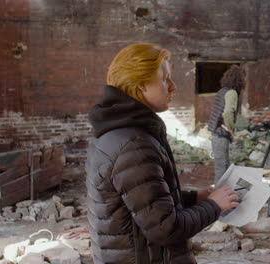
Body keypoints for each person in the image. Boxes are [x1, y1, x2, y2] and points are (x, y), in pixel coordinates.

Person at [86, 43, 240, 264]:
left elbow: (144, 202)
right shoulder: (134, 145)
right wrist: (214, 206)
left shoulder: (114, 132)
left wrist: (195, 198)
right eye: (165, 79)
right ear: (140, 86)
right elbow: (166, 229)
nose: (173, 86)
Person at [208, 65, 245, 184]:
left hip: (216, 133)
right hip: (221, 134)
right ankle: (218, 199)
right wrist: (231, 129)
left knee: (223, 167)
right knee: (222, 170)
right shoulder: (232, 93)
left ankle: (222, 196)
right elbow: (228, 113)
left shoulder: (222, 91)